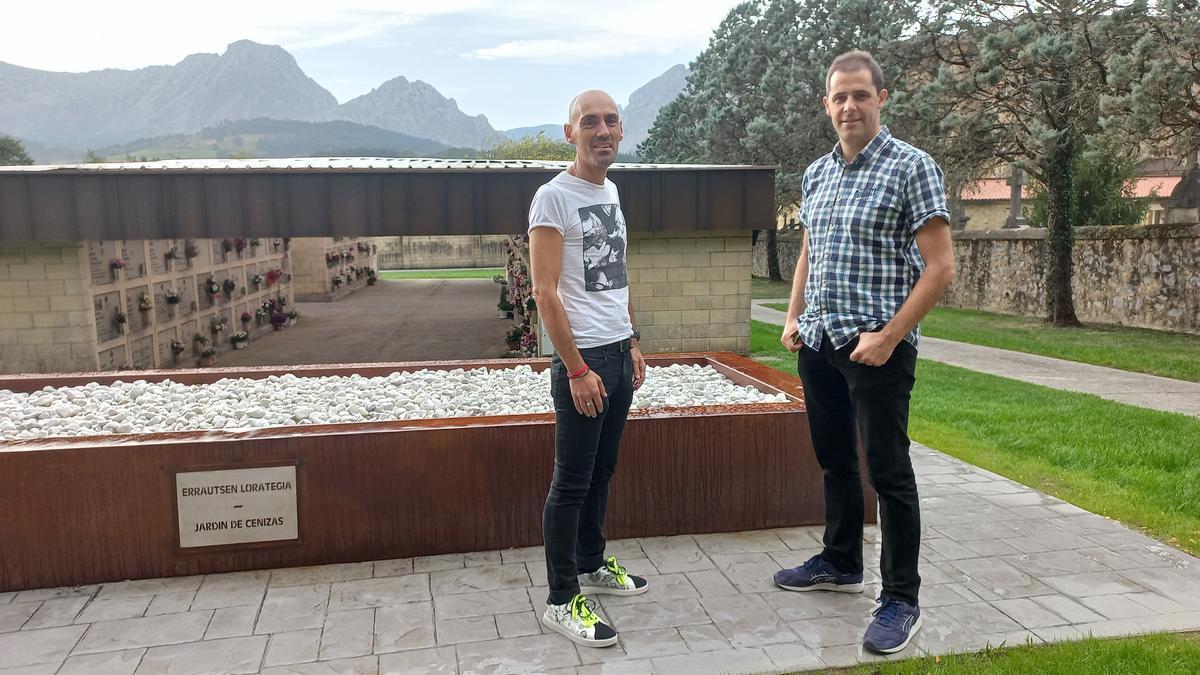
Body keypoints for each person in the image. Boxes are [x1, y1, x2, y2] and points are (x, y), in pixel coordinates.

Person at [773, 50, 956, 655]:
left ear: (882, 98)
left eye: (860, 95)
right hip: (820, 343)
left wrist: (891, 335)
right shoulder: (817, 173)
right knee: (834, 462)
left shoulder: (911, 168)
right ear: (826, 105)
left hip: (877, 347)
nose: (849, 106)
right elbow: (809, 249)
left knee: (889, 472)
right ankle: (840, 561)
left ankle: (901, 599)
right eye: (839, 97)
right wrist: (795, 315)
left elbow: (940, 268)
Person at [528, 89, 649, 648]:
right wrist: (576, 369)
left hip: (618, 354)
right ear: (570, 132)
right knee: (570, 483)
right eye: (590, 122)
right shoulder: (552, 199)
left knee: (603, 472)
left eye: (611, 121)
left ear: (621, 132)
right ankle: (559, 598)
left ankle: (593, 563)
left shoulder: (613, 191)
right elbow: (545, 293)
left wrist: (633, 342)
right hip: (583, 363)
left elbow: (617, 277)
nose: (602, 130)